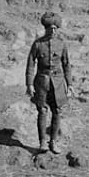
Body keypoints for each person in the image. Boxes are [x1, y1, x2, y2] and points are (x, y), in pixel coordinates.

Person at [25, 11, 72, 154]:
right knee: (42, 111)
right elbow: (31, 64)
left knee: (57, 111)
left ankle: (54, 142)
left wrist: (69, 85)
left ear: (58, 29)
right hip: (42, 83)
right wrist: (29, 84)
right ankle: (42, 142)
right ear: (45, 29)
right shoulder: (38, 44)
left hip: (57, 83)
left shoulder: (62, 44)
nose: (52, 31)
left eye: (55, 28)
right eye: (49, 28)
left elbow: (66, 65)